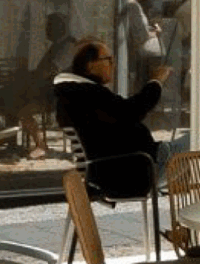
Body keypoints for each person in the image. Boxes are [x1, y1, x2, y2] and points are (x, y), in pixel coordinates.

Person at [52, 38, 168, 193]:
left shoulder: (74, 95)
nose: (113, 65)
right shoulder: (88, 95)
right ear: (90, 65)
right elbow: (133, 110)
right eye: (109, 60)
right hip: (132, 173)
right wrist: (156, 82)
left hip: (118, 169)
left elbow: (122, 116)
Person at [16, 12, 77, 157]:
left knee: (24, 110)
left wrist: (33, 77)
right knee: (19, 102)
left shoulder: (68, 46)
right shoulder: (57, 45)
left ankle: (41, 146)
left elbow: (50, 71)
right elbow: (41, 71)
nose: (46, 30)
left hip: (61, 97)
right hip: (49, 92)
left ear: (59, 28)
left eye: (49, 26)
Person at [119, 0, 167, 94]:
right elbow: (141, 36)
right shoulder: (133, 6)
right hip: (144, 48)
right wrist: (156, 32)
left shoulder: (134, 5)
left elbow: (141, 30)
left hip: (144, 45)